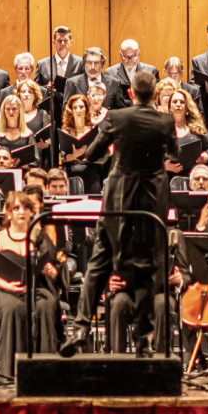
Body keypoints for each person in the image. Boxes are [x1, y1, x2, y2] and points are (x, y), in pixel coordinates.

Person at [61, 71, 177, 358]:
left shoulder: (117, 118)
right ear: (154, 94)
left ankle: (81, 328)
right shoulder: (165, 121)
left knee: (100, 259)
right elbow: (174, 154)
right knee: (147, 267)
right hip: (150, 203)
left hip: (118, 200)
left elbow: (91, 152)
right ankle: (142, 341)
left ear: (130, 94)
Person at [0, 191, 60, 372]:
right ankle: (11, 370)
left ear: (31, 212)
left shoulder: (40, 237)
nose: (21, 212)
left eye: (26, 208)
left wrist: (53, 271)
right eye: (16, 208)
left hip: (36, 289)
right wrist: (8, 285)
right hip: (4, 290)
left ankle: (45, 369)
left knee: (46, 304)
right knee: (14, 308)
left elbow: (55, 266)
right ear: (9, 211)